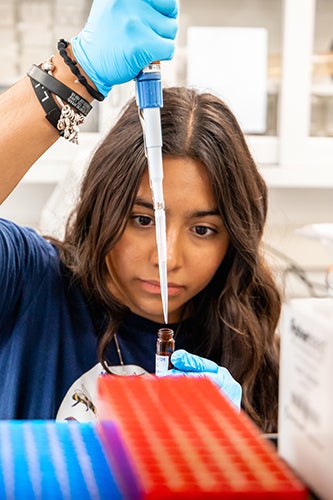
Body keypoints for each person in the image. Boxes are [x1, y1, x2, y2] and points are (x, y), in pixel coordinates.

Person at [0, 0, 281, 432]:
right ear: (103, 206)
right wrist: (78, 70)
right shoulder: (30, 283)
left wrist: (233, 447)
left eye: (203, 229)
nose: (167, 258)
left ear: (235, 240)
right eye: (143, 220)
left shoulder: (250, 348)